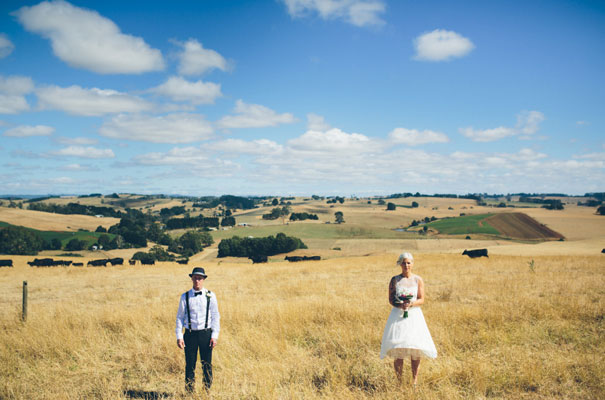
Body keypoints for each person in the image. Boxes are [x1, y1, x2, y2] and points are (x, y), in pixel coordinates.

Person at [380, 252, 437, 386]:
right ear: (400, 264)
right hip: (398, 316)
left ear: (412, 264)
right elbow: (391, 299)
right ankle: (399, 382)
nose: (406, 265)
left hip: (414, 316)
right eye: (404, 263)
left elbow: (421, 299)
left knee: (415, 349)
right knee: (398, 349)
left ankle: (414, 382)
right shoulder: (395, 280)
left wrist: (411, 304)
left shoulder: (418, 280)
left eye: (408, 263)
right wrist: (400, 305)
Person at [176, 267, 220, 392]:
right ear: (191, 278)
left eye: (200, 278)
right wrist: (179, 336)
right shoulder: (185, 296)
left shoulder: (210, 296)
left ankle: (207, 391)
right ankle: (189, 392)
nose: (197, 281)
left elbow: (215, 316)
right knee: (190, 364)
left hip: (206, 334)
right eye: (195, 278)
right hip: (190, 334)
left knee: (206, 364)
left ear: (203, 279)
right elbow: (179, 317)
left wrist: (214, 336)